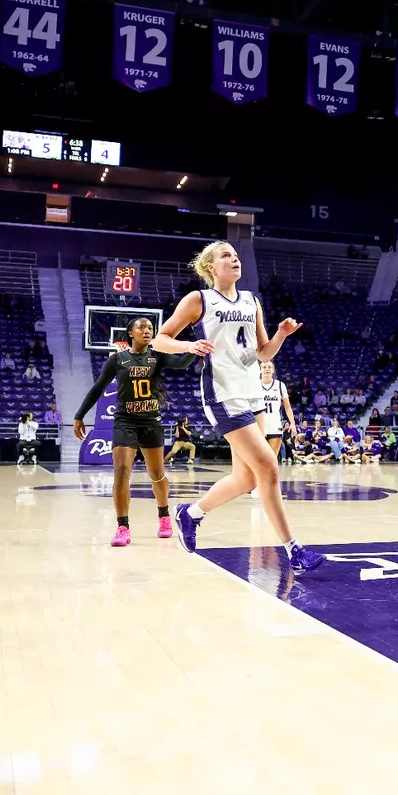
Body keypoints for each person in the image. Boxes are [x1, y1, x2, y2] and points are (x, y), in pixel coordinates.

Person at [155, 241, 322, 573]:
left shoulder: (252, 301)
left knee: (246, 480)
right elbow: (161, 338)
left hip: (252, 394)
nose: (234, 259)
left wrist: (280, 335)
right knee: (269, 468)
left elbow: (263, 353)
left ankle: (190, 514)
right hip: (222, 393)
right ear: (211, 267)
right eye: (225, 256)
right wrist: (189, 344)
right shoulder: (198, 300)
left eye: (235, 255)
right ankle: (294, 550)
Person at [75, 317, 193, 547]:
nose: (147, 330)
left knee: (157, 474)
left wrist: (194, 348)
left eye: (150, 328)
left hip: (151, 422)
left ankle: (164, 516)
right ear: (130, 332)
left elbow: (182, 363)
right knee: (121, 471)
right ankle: (122, 526)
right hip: (125, 422)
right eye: (141, 327)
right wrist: (80, 415)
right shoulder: (117, 360)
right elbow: (98, 388)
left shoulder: (157, 357)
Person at [259, 360, 296, 462]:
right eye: (264, 367)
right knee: (258, 461)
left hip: (275, 426)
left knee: (271, 461)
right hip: (258, 427)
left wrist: (292, 423)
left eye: (269, 367)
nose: (267, 369)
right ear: (260, 370)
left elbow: (287, 407)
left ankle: (270, 478)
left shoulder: (280, 385)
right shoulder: (254, 385)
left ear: (273, 370)